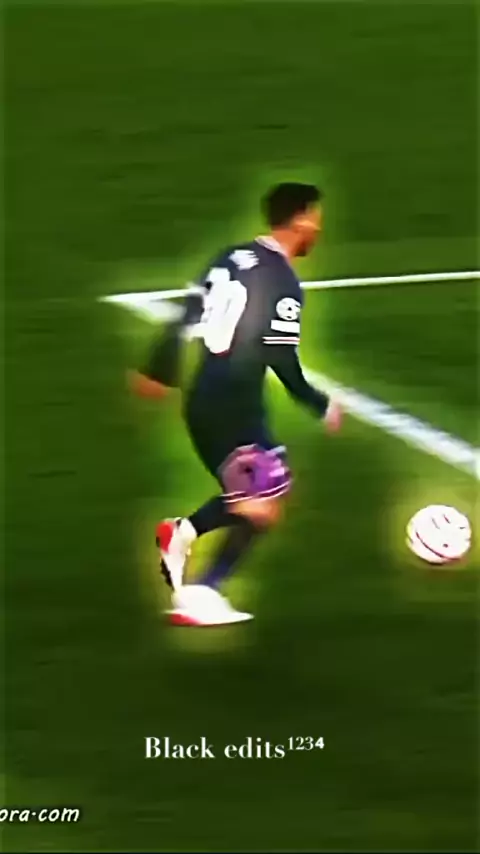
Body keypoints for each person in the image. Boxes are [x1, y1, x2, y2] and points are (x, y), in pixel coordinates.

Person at [130, 182, 342, 625]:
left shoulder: (230, 257)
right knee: (259, 505)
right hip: (234, 405)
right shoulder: (284, 284)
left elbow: (186, 314)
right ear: (300, 220)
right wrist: (318, 403)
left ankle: (184, 539)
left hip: (206, 394)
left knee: (270, 492)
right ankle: (202, 589)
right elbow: (281, 360)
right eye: (315, 219)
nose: (318, 229)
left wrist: (159, 370)